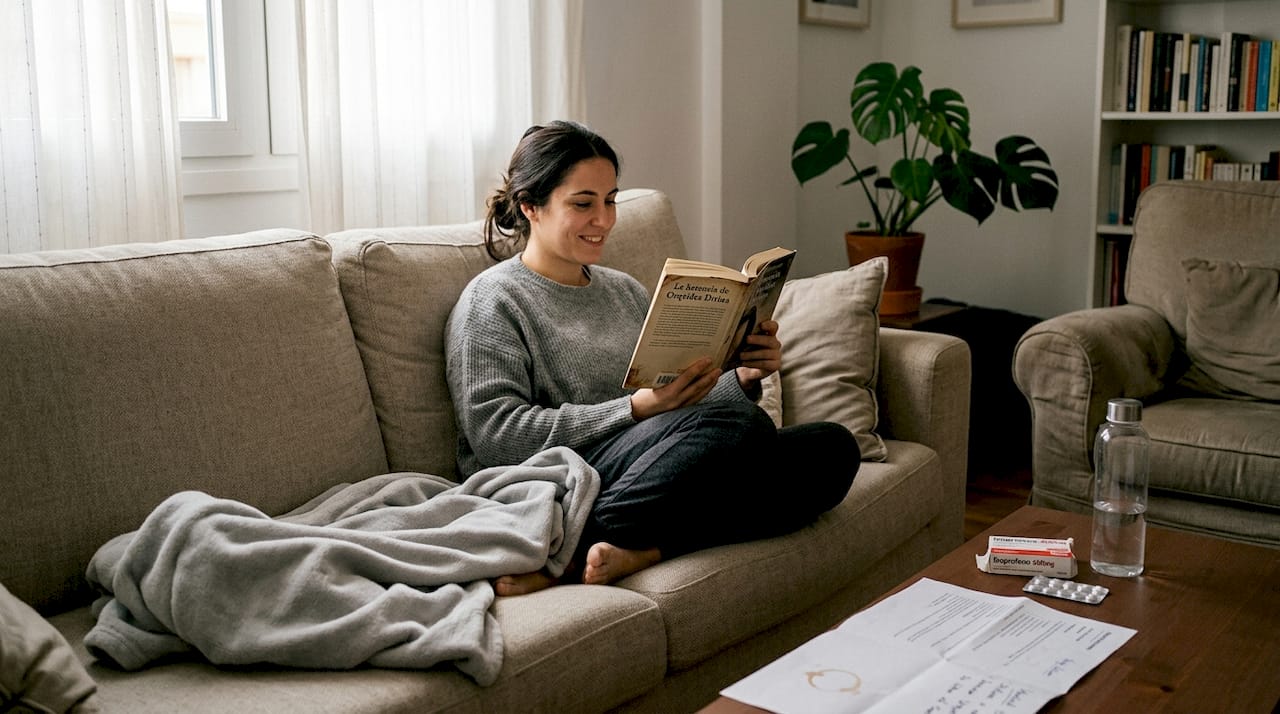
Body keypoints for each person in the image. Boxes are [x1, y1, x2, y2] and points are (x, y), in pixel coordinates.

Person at [445, 120, 860, 595]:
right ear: (530, 206)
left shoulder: (623, 290)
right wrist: (635, 408)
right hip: (560, 474)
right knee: (741, 429)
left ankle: (646, 549)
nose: (604, 220)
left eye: (610, 201)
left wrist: (741, 376)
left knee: (830, 448)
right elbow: (497, 438)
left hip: (653, 460)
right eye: (583, 204)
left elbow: (673, 403)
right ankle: (572, 548)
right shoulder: (493, 301)